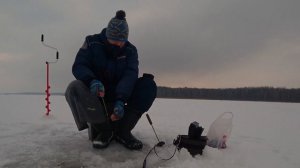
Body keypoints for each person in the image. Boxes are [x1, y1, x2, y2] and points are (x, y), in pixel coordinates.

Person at [65, 10, 157, 150]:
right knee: (74, 88)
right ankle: (104, 130)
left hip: (119, 96)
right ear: (108, 35)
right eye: (115, 40)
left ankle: (123, 131)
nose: (119, 44)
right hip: (96, 97)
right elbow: (79, 65)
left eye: (122, 41)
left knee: (148, 85)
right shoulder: (91, 42)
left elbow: (130, 75)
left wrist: (121, 99)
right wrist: (91, 81)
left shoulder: (130, 50)